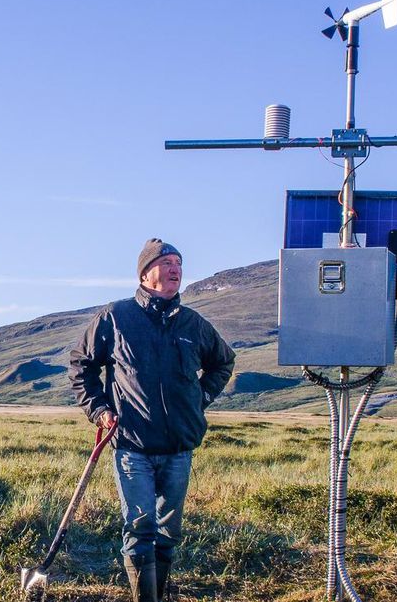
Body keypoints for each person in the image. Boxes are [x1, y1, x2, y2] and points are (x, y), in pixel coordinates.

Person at [70, 238, 236, 602]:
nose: (176, 269)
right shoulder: (116, 318)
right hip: (132, 445)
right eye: (167, 263)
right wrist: (99, 409)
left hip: (178, 447)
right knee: (140, 526)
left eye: (179, 263)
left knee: (168, 532)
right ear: (146, 274)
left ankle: (158, 595)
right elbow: (82, 367)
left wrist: (200, 398)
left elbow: (223, 361)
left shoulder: (193, 324)